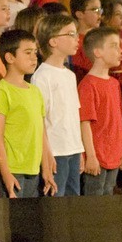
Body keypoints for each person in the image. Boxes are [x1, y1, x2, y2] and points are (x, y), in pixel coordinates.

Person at [0, 28, 55, 198]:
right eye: (27, 52)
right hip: (14, 170)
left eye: (35, 52)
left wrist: (46, 168)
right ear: (10, 57)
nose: (34, 57)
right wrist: (6, 173)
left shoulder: (34, 91)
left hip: (33, 169)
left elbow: (41, 132)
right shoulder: (1, 91)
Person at [33, 11, 85, 196]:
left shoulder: (70, 75)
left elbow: (73, 115)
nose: (76, 39)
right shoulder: (42, 76)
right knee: (56, 200)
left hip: (73, 149)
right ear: (53, 41)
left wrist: (80, 149)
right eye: (70, 34)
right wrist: (47, 154)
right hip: (56, 151)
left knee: (72, 199)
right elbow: (40, 119)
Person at [77, 27, 122, 195]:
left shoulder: (114, 83)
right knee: (95, 200)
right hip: (98, 155)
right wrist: (91, 156)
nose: (120, 51)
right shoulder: (88, 85)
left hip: (114, 152)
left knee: (108, 195)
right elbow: (84, 122)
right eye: (114, 45)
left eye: (119, 46)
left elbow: (119, 118)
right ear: (98, 52)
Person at [67, 0, 105, 80]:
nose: (99, 14)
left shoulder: (103, 38)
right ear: (79, 14)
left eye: (100, 10)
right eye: (95, 10)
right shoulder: (75, 42)